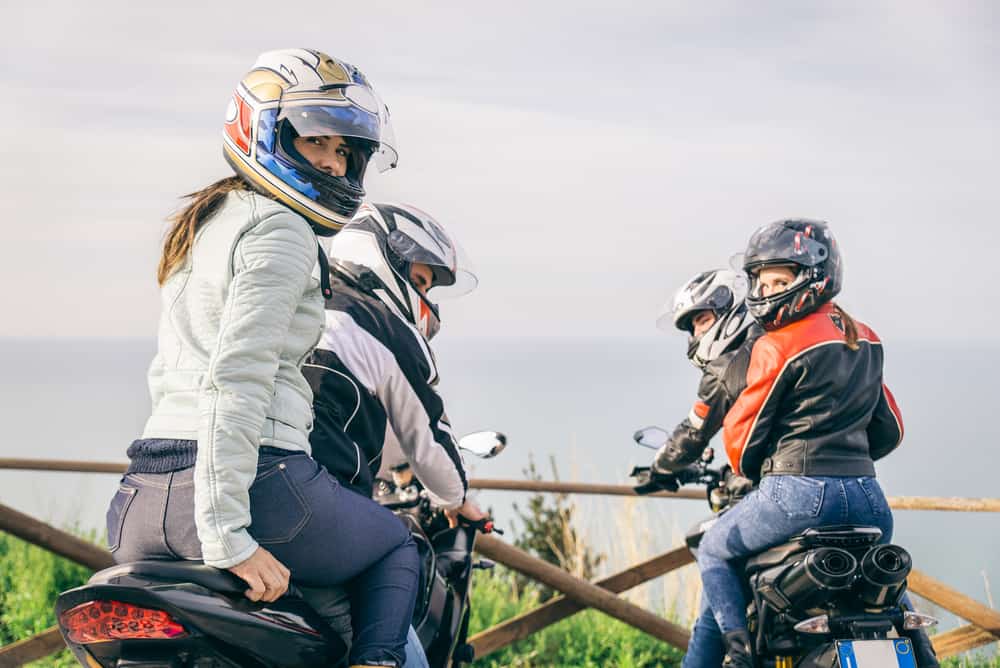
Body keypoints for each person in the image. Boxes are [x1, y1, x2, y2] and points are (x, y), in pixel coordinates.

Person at [105, 48, 419, 668]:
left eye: (343, 150)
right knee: (394, 546)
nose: (334, 162)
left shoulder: (207, 219)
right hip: (253, 488)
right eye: (316, 143)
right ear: (265, 131)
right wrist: (228, 535)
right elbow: (236, 379)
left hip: (140, 498)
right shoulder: (280, 229)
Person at [688, 219, 937, 667]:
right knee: (880, 583)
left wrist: (776, 467)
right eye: (761, 281)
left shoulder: (777, 344)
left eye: (778, 280)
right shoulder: (864, 337)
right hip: (868, 497)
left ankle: (739, 653)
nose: (765, 291)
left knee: (713, 549)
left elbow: (742, 444)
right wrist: (848, 460)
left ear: (812, 277)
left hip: (796, 494)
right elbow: (891, 428)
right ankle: (925, 655)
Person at [303, 202, 487, 525]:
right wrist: (455, 497)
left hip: (256, 478)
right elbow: (427, 436)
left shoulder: (310, 299)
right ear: (384, 256)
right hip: (318, 496)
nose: (423, 299)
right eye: (419, 282)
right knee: (400, 548)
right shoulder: (384, 328)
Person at [649, 268, 759, 477]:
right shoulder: (761, 344)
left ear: (729, 309)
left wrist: (661, 466)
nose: (697, 333)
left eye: (702, 320)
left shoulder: (726, 367)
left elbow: (693, 433)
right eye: (693, 326)